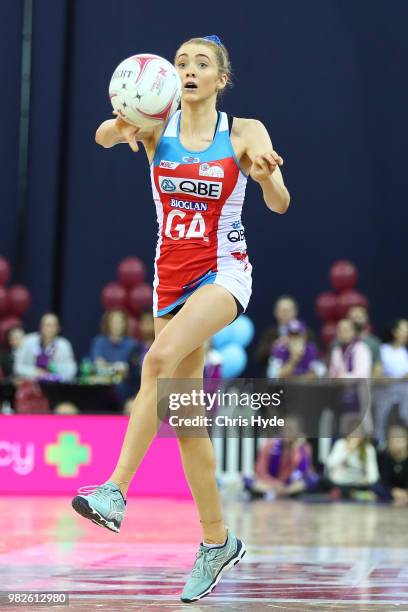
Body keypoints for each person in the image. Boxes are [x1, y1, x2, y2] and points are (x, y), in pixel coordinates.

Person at [72, 34, 290, 602]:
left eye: (202, 65)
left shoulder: (243, 131)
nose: (189, 71)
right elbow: (99, 135)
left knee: (160, 361)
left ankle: (116, 490)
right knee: (188, 422)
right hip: (169, 281)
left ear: (221, 79)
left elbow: (280, 202)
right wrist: (122, 123)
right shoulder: (156, 125)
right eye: (182, 63)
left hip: (223, 274)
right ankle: (218, 541)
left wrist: (267, 175)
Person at [246, 417, 319, 499]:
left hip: (290, 486)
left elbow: (305, 471)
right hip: (269, 483)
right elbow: (260, 471)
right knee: (247, 479)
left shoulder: (304, 448)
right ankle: (274, 492)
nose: (287, 433)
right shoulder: (270, 444)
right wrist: (275, 484)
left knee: (313, 478)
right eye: (285, 429)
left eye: (291, 430)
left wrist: (296, 450)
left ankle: (285, 493)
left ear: (298, 432)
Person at [90, 309, 141, 406]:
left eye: (119, 321)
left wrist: (109, 367)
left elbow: (129, 372)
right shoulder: (99, 342)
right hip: (102, 386)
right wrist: (117, 368)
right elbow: (98, 365)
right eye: (113, 321)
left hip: (125, 388)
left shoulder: (132, 344)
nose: (116, 324)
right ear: (108, 323)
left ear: (124, 324)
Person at [324, 421, 379, 499]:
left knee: (377, 487)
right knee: (323, 481)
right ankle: (352, 494)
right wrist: (348, 451)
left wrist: (366, 480)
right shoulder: (340, 444)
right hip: (340, 482)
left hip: (358, 483)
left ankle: (349, 493)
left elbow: (374, 475)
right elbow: (330, 465)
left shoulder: (368, 448)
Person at [14, 313, 77, 382]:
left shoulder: (64, 345)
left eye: (52, 326)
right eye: (46, 325)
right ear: (40, 327)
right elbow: (17, 367)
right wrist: (35, 372)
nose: (49, 329)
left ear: (58, 328)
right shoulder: (28, 341)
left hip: (56, 386)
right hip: (32, 383)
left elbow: (72, 370)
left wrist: (53, 373)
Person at [255, 295, 299, 370]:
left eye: (288, 310)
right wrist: (275, 345)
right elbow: (260, 356)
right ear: (275, 312)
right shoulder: (270, 332)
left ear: (295, 312)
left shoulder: (304, 332)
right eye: (282, 310)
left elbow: (314, 355)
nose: (285, 314)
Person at [347, 305, 383, 378]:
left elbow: (377, 367)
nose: (356, 321)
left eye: (359, 317)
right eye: (353, 318)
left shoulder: (374, 342)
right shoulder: (338, 342)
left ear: (366, 318)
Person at [377, 424, 408, 505]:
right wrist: (393, 491)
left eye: (398, 441)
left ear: (406, 441)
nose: (395, 445)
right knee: (376, 486)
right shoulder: (384, 456)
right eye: (392, 442)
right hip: (392, 491)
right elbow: (384, 479)